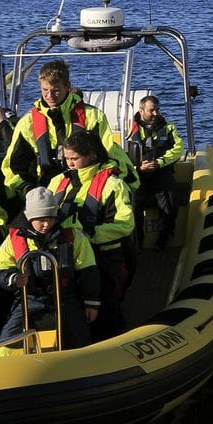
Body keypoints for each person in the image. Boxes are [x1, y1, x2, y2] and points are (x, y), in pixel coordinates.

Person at [49, 128, 137, 337]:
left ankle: (113, 338)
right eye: (67, 158)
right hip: (69, 256)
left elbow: (125, 223)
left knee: (106, 308)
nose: (70, 163)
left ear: (92, 156)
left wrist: (88, 235)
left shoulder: (113, 185)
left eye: (75, 159)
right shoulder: (58, 181)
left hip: (102, 256)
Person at [0, 188, 100, 349]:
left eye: (51, 218)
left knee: (79, 337)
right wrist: (13, 279)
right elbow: (0, 266)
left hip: (65, 297)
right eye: (41, 220)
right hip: (30, 298)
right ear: (30, 218)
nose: (46, 224)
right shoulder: (15, 239)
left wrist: (92, 303)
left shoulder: (72, 236)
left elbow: (88, 271)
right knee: (8, 341)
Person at [2, 60, 125, 199]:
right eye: (45, 90)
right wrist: (29, 190)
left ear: (67, 86)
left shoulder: (93, 116)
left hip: (86, 188)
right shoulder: (28, 122)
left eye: (56, 91)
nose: (50, 96)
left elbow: (110, 155)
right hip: (43, 192)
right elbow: (12, 167)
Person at [125, 92, 184, 248]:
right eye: (152, 110)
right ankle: (138, 243)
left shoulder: (168, 128)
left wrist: (159, 162)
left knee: (171, 200)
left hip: (161, 171)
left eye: (157, 109)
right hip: (138, 174)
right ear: (141, 111)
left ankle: (163, 240)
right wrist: (137, 167)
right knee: (131, 204)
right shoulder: (128, 130)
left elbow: (177, 149)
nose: (156, 113)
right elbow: (120, 154)